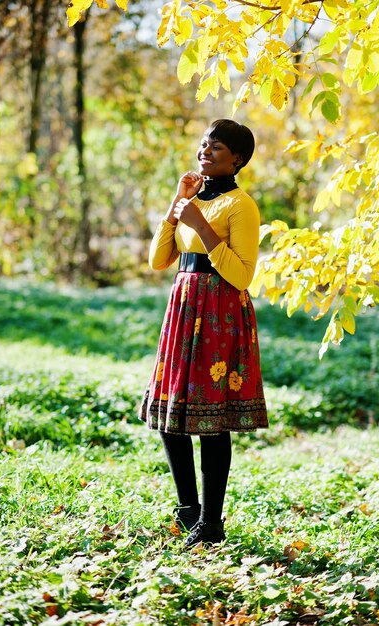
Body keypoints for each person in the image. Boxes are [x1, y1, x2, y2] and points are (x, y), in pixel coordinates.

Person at [139, 119, 268, 548]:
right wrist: (178, 203)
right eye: (203, 145)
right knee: (171, 415)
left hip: (220, 312)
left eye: (216, 148)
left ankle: (211, 523)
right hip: (183, 306)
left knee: (212, 423)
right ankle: (188, 512)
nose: (205, 152)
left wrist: (200, 222)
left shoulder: (241, 206)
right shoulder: (190, 200)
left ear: (238, 159)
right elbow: (160, 259)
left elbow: (242, 275)